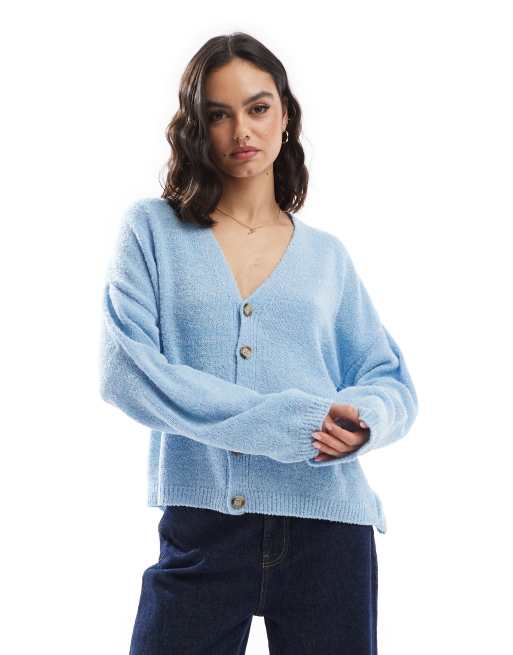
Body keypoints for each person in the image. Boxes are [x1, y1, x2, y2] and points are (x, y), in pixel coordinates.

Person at [99, 31, 419, 655]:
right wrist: (290, 423)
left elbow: (388, 378)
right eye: (219, 114)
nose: (241, 130)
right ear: (196, 127)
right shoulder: (152, 231)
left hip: (329, 527)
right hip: (203, 529)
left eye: (258, 107)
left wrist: (363, 422)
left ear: (285, 115)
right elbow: (126, 373)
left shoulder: (326, 256)